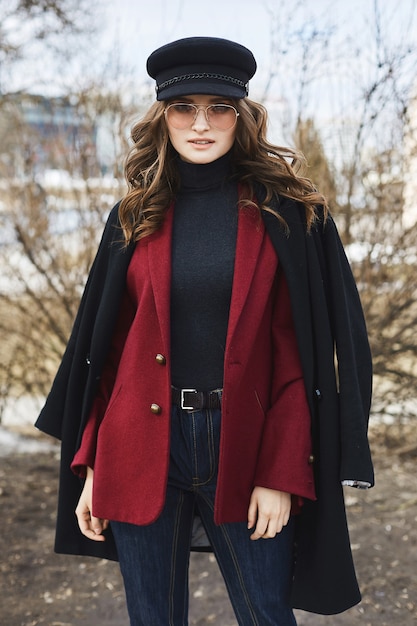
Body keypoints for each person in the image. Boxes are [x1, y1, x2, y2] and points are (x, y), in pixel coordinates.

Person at [36, 36, 374, 625]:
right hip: (139, 446)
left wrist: (283, 472)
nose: (200, 124)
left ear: (240, 116)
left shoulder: (287, 216)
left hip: (244, 443)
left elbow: (302, 360)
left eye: (217, 107)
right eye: (182, 108)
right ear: (162, 117)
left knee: (265, 613)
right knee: (152, 617)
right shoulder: (133, 216)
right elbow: (107, 357)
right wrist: (93, 465)